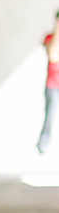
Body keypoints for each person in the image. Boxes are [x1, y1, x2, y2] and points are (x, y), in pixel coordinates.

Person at [36, 10, 59, 152]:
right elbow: (53, 56)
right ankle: (43, 143)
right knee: (49, 115)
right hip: (53, 85)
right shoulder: (49, 37)